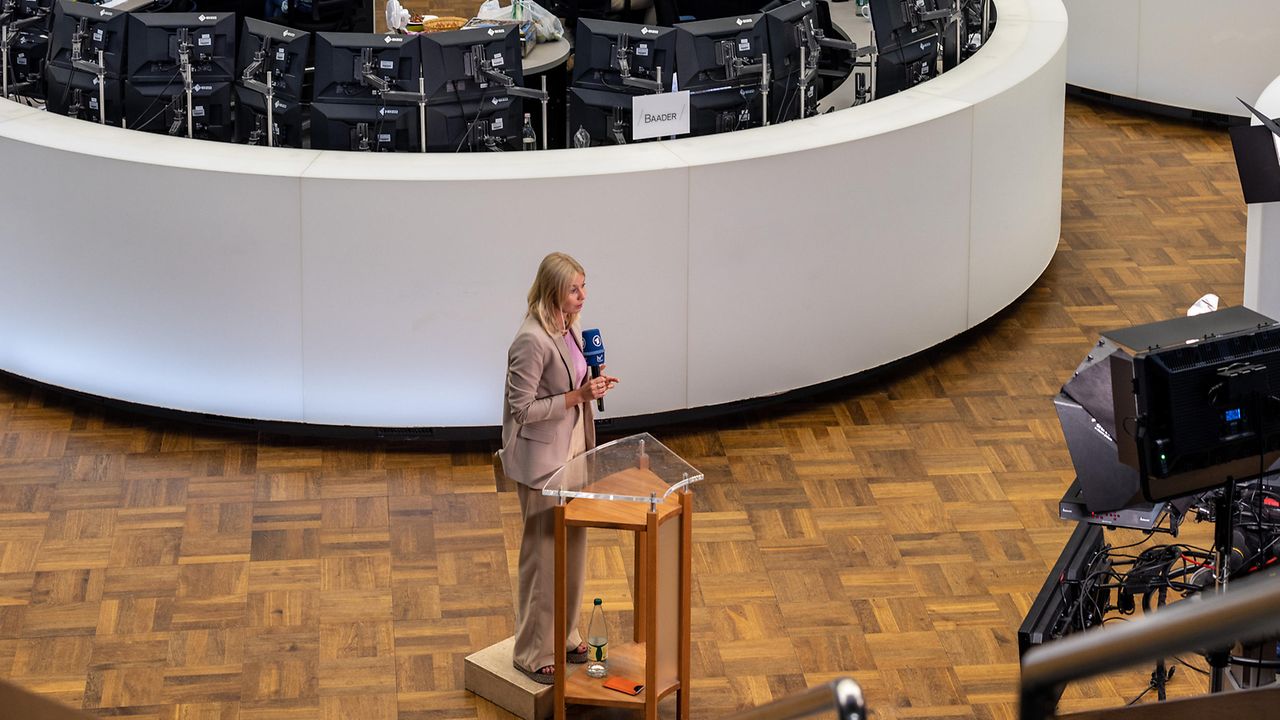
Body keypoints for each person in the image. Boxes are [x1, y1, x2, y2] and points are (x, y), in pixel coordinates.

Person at [500, 252, 619, 685]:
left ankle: (565, 636)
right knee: (542, 559)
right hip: (542, 464)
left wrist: (593, 385)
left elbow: (572, 383)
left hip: (574, 454)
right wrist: (576, 397)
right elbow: (522, 410)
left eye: (584, 286)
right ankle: (532, 651)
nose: (583, 295)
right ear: (553, 291)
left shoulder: (568, 328)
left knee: (573, 549)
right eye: (574, 289)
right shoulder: (531, 340)